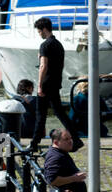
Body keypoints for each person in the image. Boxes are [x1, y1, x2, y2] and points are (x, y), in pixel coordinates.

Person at [28, 17, 80, 149]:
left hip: (46, 84)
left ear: (44, 29)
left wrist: (39, 86)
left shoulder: (45, 45)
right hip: (55, 83)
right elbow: (61, 65)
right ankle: (76, 139)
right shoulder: (58, 45)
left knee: (41, 114)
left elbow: (43, 66)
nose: (39, 34)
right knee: (60, 113)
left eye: (39, 31)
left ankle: (34, 143)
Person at [41, 127, 87, 192]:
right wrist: (74, 178)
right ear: (56, 142)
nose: (70, 141)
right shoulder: (55, 157)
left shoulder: (61, 152)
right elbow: (52, 180)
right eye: (66, 139)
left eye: (71, 138)